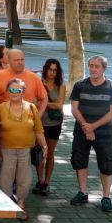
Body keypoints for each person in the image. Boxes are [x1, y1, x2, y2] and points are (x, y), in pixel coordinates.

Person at [69, 55, 112, 213]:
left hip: (103, 133)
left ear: (104, 68)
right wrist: (86, 127)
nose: (93, 69)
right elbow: (74, 109)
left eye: (97, 66)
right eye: (91, 65)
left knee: (106, 164)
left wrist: (93, 127)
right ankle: (83, 192)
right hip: (81, 132)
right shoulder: (79, 85)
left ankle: (106, 197)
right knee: (80, 161)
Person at [0, 78, 47, 221]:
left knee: (25, 179)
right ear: (7, 91)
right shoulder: (1, 108)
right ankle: (8, 202)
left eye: (18, 90)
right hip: (6, 149)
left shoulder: (31, 107)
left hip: (25, 150)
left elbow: (38, 130)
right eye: (12, 90)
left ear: (23, 92)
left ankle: (21, 203)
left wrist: (44, 146)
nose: (15, 93)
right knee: (6, 178)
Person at [32, 58, 66, 197]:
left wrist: (43, 104)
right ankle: (39, 180)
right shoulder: (38, 83)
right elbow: (33, 102)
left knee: (50, 154)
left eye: (55, 70)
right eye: (50, 69)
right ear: (45, 69)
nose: (52, 72)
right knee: (40, 153)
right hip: (40, 123)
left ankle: (47, 182)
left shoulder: (61, 86)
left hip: (54, 124)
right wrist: (46, 104)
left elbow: (59, 105)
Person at [0, 49, 47, 115]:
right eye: (17, 60)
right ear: (9, 61)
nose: (20, 62)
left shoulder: (33, 77)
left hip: (26, 122)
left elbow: (44, 98)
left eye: (22, 60)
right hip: (2, 121)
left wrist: (38, 116)